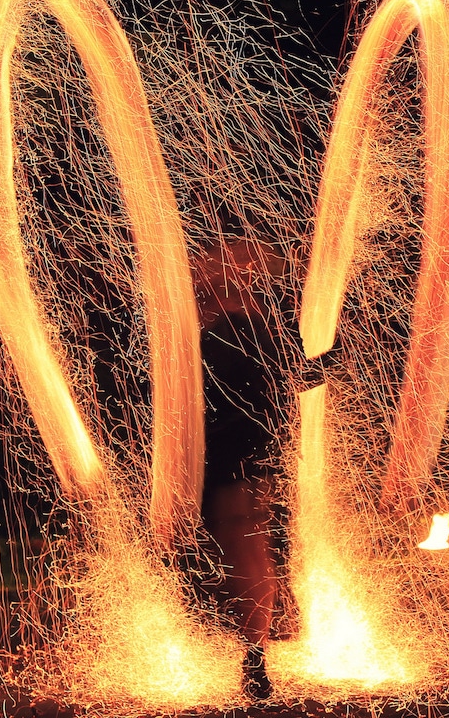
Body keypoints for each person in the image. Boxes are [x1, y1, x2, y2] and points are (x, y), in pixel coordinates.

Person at [191, 238, 286, 700]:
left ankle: (253, 655)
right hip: (234, 447)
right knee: (242, 541)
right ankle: (251, 649)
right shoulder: (245, 326)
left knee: (243, 540)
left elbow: (276, 382)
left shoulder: (234, 329)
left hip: (235, 449)